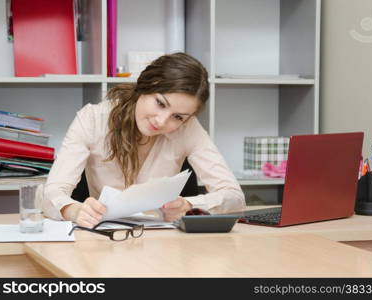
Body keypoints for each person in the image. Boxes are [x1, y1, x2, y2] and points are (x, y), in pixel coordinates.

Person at [42, 52, 245, 228]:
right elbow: (52, 192)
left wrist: (190, 205)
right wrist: (74, 210)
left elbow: (234, 196)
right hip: (103, 240)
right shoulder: (92, 120)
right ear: (145, 85)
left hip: (161, 245)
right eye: (160, 103)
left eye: (178, 117)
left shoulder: (188, 128)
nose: (161, 121)